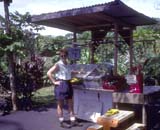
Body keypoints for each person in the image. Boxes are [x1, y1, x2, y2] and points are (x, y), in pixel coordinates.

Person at [47, 48, 81, 128]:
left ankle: (73, 120)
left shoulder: (67, 63)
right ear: (59, 55)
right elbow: (49, 73)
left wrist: (77, 72)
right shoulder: (58, 64)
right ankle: (62, 122)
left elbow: (69, 72)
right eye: (61, 55)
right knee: (60, 105)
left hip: (68, 84)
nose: (63, 57)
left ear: (67, 56)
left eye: (64, 55)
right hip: (61, 85)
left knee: (71, 103)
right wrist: (54, 82)